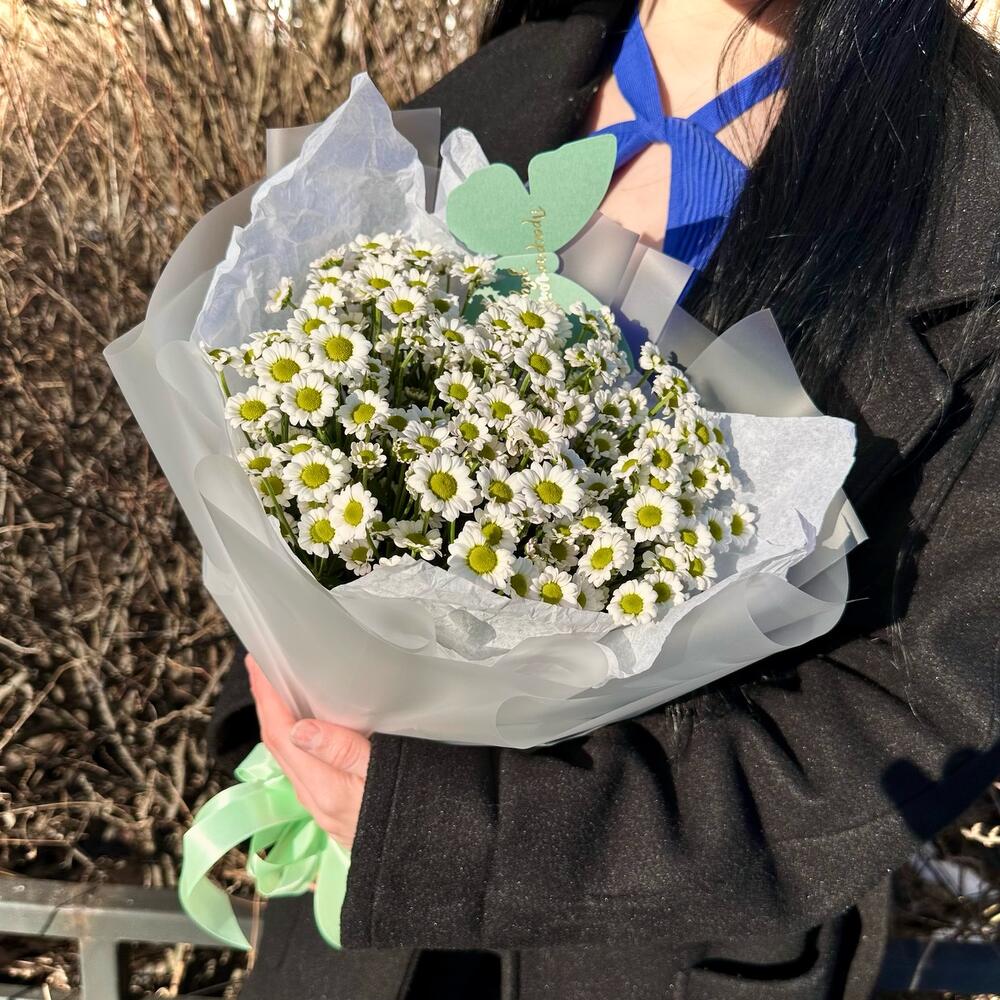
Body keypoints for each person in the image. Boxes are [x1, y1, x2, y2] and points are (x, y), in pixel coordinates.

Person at [207, 1, 1000, 997]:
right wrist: (286, 698)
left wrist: (467, 831)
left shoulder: (972, 201)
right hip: (350, 930)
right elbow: (278, 441)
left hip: (652, 951)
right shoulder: (507, 81)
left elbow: (914, 706)